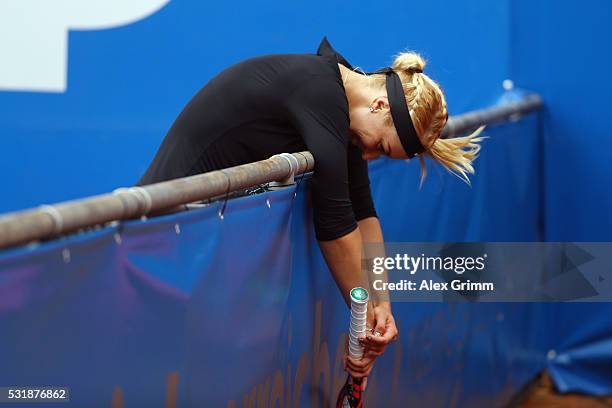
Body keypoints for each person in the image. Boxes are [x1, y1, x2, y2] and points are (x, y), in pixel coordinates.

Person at [137, 37, 484, 387]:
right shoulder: (322, 93)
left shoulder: (346, 103)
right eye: (379, 147)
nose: (367, 157)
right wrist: (363, 323)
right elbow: (335, 223)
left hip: (192, 242)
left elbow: (363, 213)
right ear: (380, 104)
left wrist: (382, 306)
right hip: (159, 237)